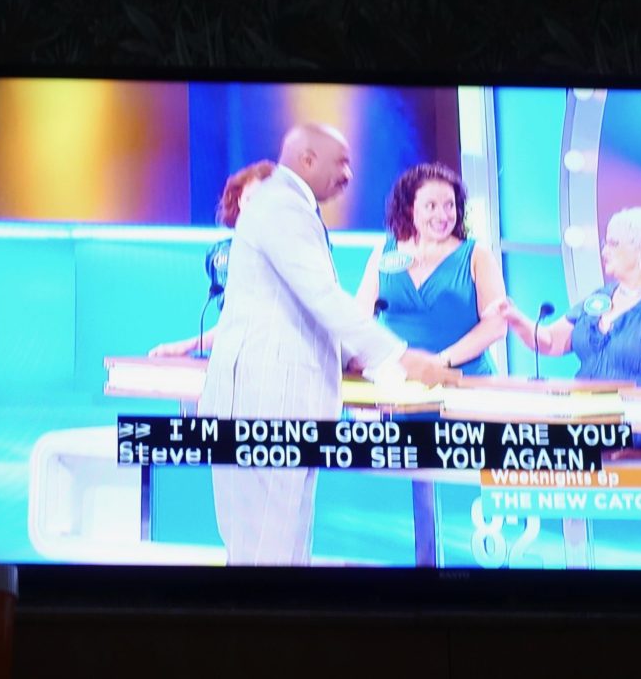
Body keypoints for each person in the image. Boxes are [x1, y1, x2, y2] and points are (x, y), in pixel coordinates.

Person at [198, 123, 459, 565]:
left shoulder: (290, 206)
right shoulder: (282, 207)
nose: (349, 175)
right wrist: (398, 357)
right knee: (267, 552)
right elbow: (320, 296)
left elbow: (302, 306)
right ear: (307, 159)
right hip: (267, 403)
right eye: (341, 163)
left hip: (279, 405)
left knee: (279, 549)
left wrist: (354, 357)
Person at [491, 207, 641, 459]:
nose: (604, 251)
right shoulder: (601, 298)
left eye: (613, 243)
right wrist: (515, 318)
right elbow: (551, 342)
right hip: (589, 436)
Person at [355, 162, 506, 375]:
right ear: (409, 208)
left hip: (465, 378)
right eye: (431, 206)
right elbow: (360, 315)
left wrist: (439, 362)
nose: (443, 216)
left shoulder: (477, 255)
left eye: (449, 205)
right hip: (398, 379)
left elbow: (496, 325)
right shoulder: (384, 251)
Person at [148, 160, 275, 357]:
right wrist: (191, 346)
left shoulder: (296, 256)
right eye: (250, 199)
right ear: (239, 201)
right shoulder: (224, 254)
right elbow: (237, 325)